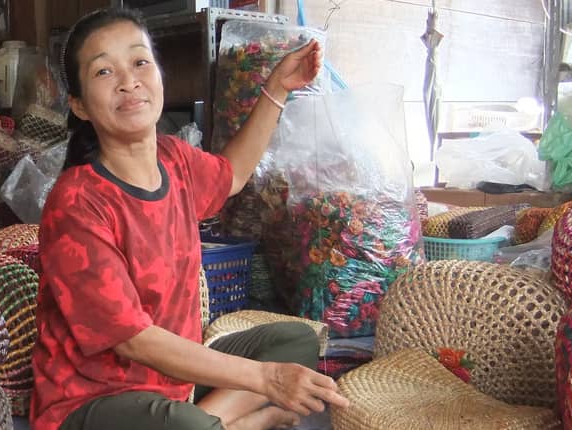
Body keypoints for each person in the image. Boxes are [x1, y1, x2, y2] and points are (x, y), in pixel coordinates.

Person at [32, 8, 350, 430]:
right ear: (80, 106)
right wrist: (265, 379)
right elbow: (132, 339)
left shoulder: (175, 159)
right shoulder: (76, 201)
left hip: (171, 383)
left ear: (159, 74)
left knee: (296, 341)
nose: (129, 81)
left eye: (140, 62)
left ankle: (209, 419)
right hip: (93, 401)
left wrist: (277, 88)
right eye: (104, 72)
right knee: (195, 420)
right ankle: (237, 423)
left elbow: (233, 174)